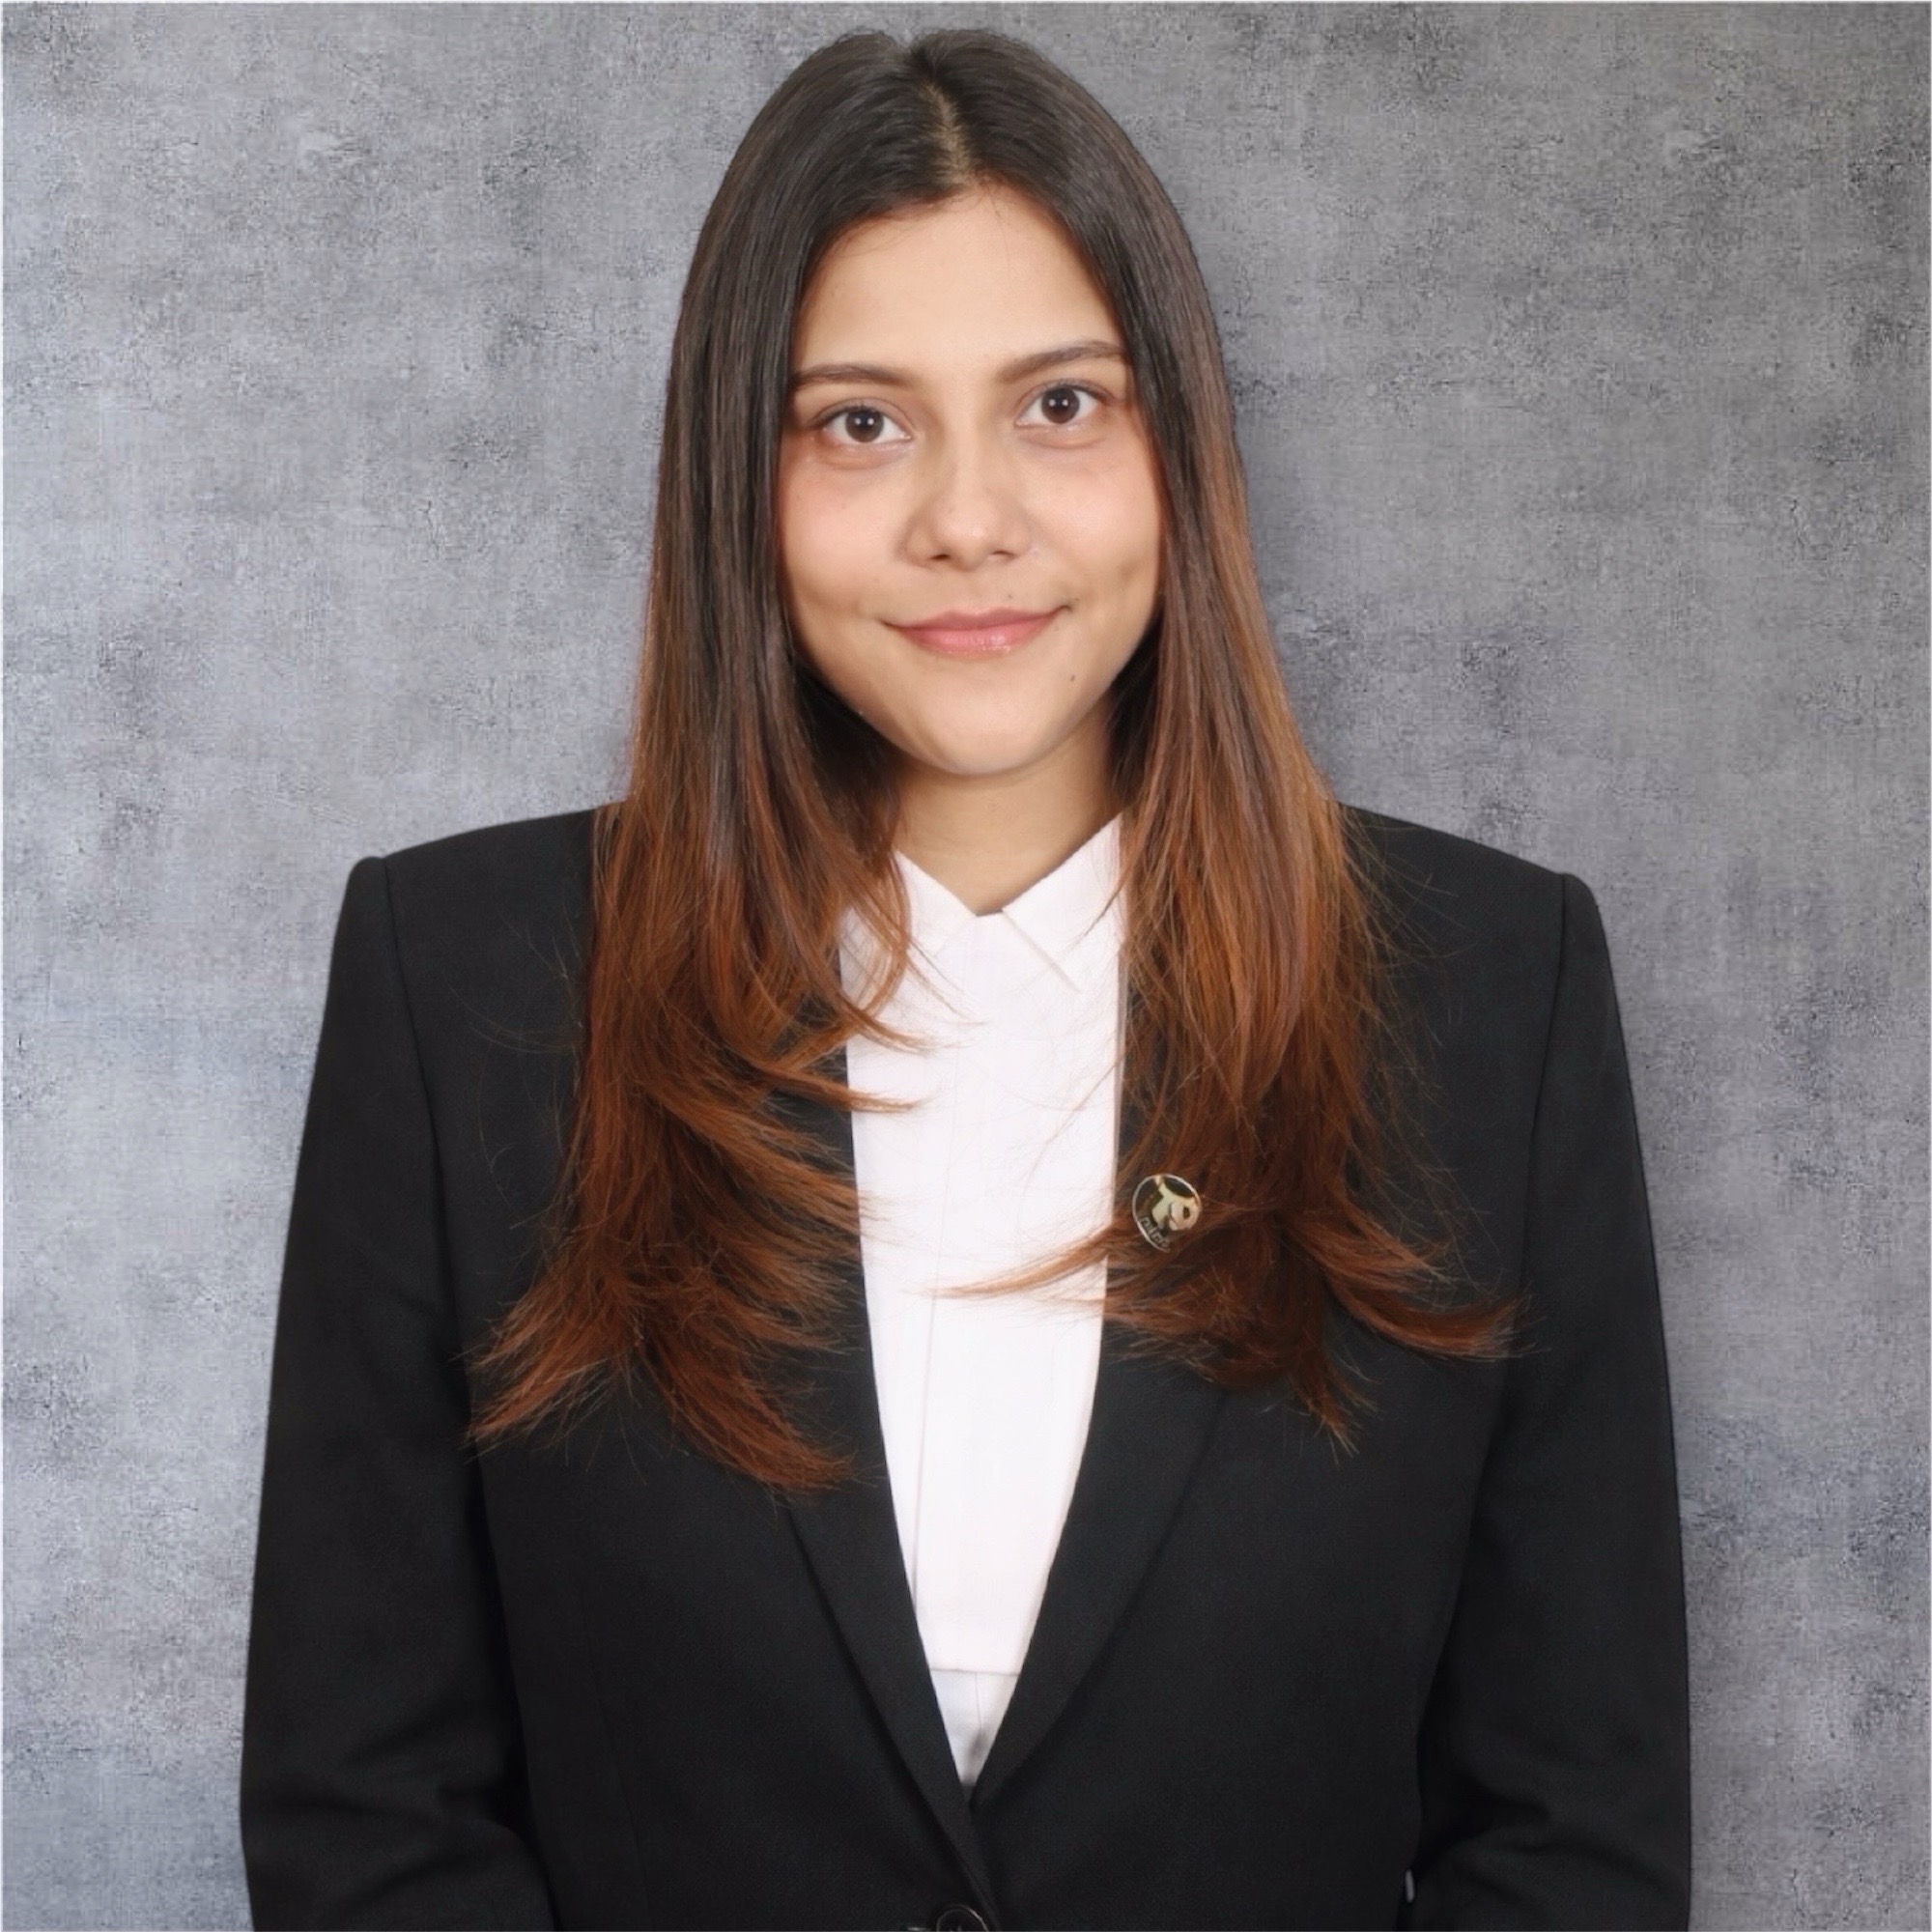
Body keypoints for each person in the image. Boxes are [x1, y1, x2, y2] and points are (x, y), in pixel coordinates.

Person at [240, 26, 1690, 1931]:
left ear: (1179, 448)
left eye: (1060, 405)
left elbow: (1571, 1835)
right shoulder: (465, 989)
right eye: (860, 422)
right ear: (736, 478)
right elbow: (367, 1813)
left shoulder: (1494, 997)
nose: (969, 519)